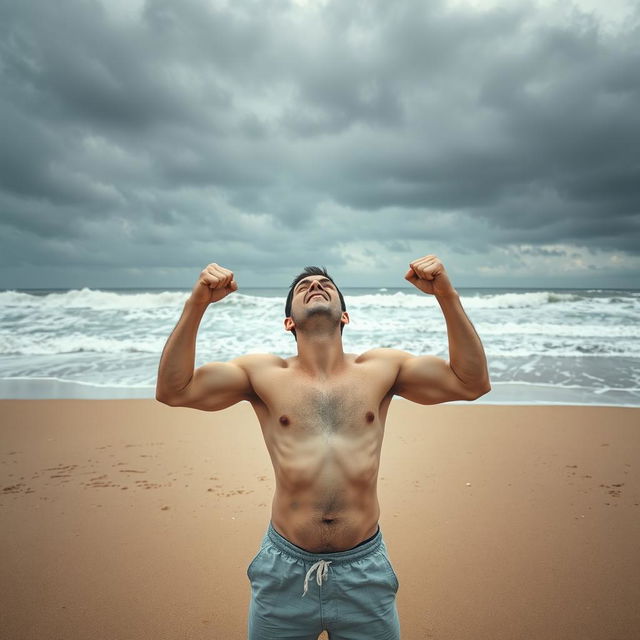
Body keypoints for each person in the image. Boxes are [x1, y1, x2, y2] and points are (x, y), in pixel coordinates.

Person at [156, 255, 490, 640]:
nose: (315, 286)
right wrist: (197, 303)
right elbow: (173, 390)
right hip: (284, 571)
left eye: (325, 285)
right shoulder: (262, 373)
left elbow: (471, 382)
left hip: (363, 570)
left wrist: (445, 294)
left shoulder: (381, 368)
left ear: (344, 317)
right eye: (303, 287)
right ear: (289, 322)